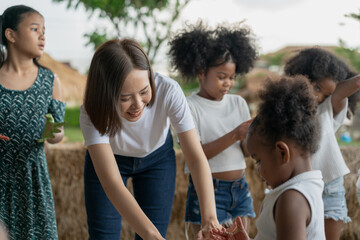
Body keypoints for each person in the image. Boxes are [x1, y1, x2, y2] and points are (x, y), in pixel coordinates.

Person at [79, 38, 222, 240]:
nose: (138, 104)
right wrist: (151, 235)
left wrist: (210, 219)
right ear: (105, 94)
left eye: (144, 91)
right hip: (110, 161)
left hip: (157, 160)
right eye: (124, 97)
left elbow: (196, 158)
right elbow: (112, 182)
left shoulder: (169, 91)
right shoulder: (91, 110)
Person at [168, 22, 257, 239]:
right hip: (207, 192)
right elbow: (195, 155)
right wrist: (235, 134)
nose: (228, 83)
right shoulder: (189, 106)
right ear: (200, 72)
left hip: (240, 188)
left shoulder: (238, 103)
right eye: (221, 76)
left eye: (231, 77)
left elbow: (245, 152)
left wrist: (252, 138)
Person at [210, 75, 326, 240]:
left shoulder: (291, 200)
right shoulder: (308, 187)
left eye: (258, 160)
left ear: (281, 152)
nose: (258, 170)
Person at [0, 5, 65, 240]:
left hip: (33, 181)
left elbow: (58, 132)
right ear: (11, 35)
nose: (42, 35)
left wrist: (52, 132)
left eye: (44, 30)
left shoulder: (51, 80)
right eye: (35, 29)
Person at [284, 47, 360, 240]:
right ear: (299, 76)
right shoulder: (283, 112)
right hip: (297, 187)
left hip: (330, 188)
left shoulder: (326, 108)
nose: (318, 97)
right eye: (316, 87)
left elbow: (349, 86)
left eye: (326, 94)